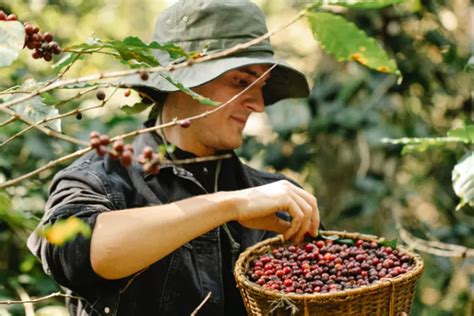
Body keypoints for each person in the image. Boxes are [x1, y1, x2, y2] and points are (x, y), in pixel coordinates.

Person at [28, 1, 321, 315]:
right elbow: (82, 254)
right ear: (179, 79)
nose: (258, 105)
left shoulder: (279, 199)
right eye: (240, 81)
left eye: (261, 86)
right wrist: (230, 206)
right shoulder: (100, 180)